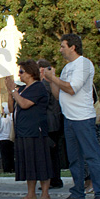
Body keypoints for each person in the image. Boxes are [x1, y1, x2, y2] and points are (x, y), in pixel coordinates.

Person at [44, 34, 100, 199]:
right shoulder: (67, 68)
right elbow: (59, 95)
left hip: (83, 117)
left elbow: (72, 89)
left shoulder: (84, 64)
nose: (60, 49)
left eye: (62, 46)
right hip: (69, 119)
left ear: (73, 47)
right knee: (74, 158)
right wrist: (52, 81)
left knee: (91, 155)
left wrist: (54, 79)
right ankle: (78, 191)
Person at [6, 60, 54, 199]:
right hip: (23, 131)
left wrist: (14, 91)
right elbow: (10, 108)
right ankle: (30, 193)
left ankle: (45, 193)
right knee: (28, 162)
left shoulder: (38, 87)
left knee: (40, 161)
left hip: (36, 130)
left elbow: (25, 104)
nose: (19, 74)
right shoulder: (22, 89)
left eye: (21, 71)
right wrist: (10, 92)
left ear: (30, 72)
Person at [37, 59, 64, 189]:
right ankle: (54, 179)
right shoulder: (54, 83)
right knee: (54, 153)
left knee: (50, 153)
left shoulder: (44, 85)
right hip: (55, 121)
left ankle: (54, 179)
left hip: (49, 123)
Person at [0, 103, 15, 173]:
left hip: (2, 138)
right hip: (10, 138)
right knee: (11, 154)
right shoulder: (11, 120)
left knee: (4, 155)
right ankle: (12, 167)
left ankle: (6, 168)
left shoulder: (2, 120)